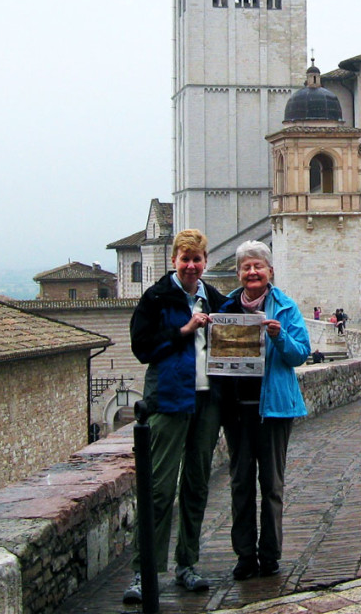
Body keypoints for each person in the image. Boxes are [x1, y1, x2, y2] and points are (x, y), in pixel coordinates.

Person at [123, 229, 226, 605]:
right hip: (168, 400)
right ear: (174, 261)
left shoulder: (214, 298)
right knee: (160, 489)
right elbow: (142, 347)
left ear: (205, 262)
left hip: (206, 403)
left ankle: (188, 564)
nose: (191, 265)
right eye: (185, 259)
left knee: (197, 485)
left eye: (197, 259)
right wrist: (184, 330)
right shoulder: (156, 298)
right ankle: (145, 570)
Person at [216, 240, 311, 581]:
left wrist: (279, 336)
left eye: (258, 266)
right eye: (246, 267)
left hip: (274, 410)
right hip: (238, 412)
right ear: (238, 273)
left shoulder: (285, 308)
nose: (252, 272)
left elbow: (300, 354)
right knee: (241, 484)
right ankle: (245, 556)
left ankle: (269, 556)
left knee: (271, 485)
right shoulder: (226, 309)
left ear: (270, 271)